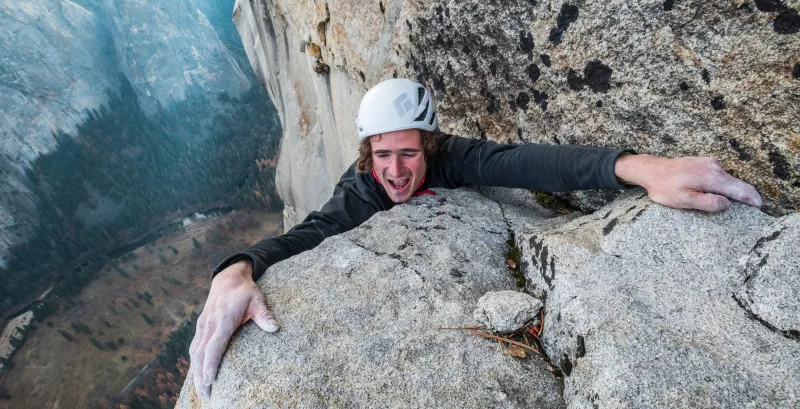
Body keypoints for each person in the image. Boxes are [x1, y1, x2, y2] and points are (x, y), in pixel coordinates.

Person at [189, 78, 762, 397]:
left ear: (431, 147)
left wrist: (641, 169)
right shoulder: (363, 188)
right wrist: (236, 267)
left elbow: (530, 165)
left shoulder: (454, 159)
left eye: (407, 153)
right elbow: (312, 232)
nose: (393, 171)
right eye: (381, 154)